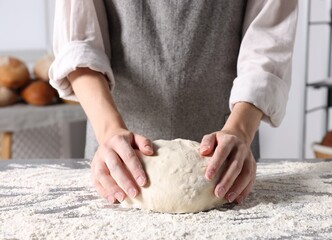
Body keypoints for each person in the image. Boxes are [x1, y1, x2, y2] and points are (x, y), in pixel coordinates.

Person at [49, 0, 298, 205]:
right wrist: (109, 131)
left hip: (226, 157)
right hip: (118, 156)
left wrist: (240, 130)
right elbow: (78, 44)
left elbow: (268, 41)